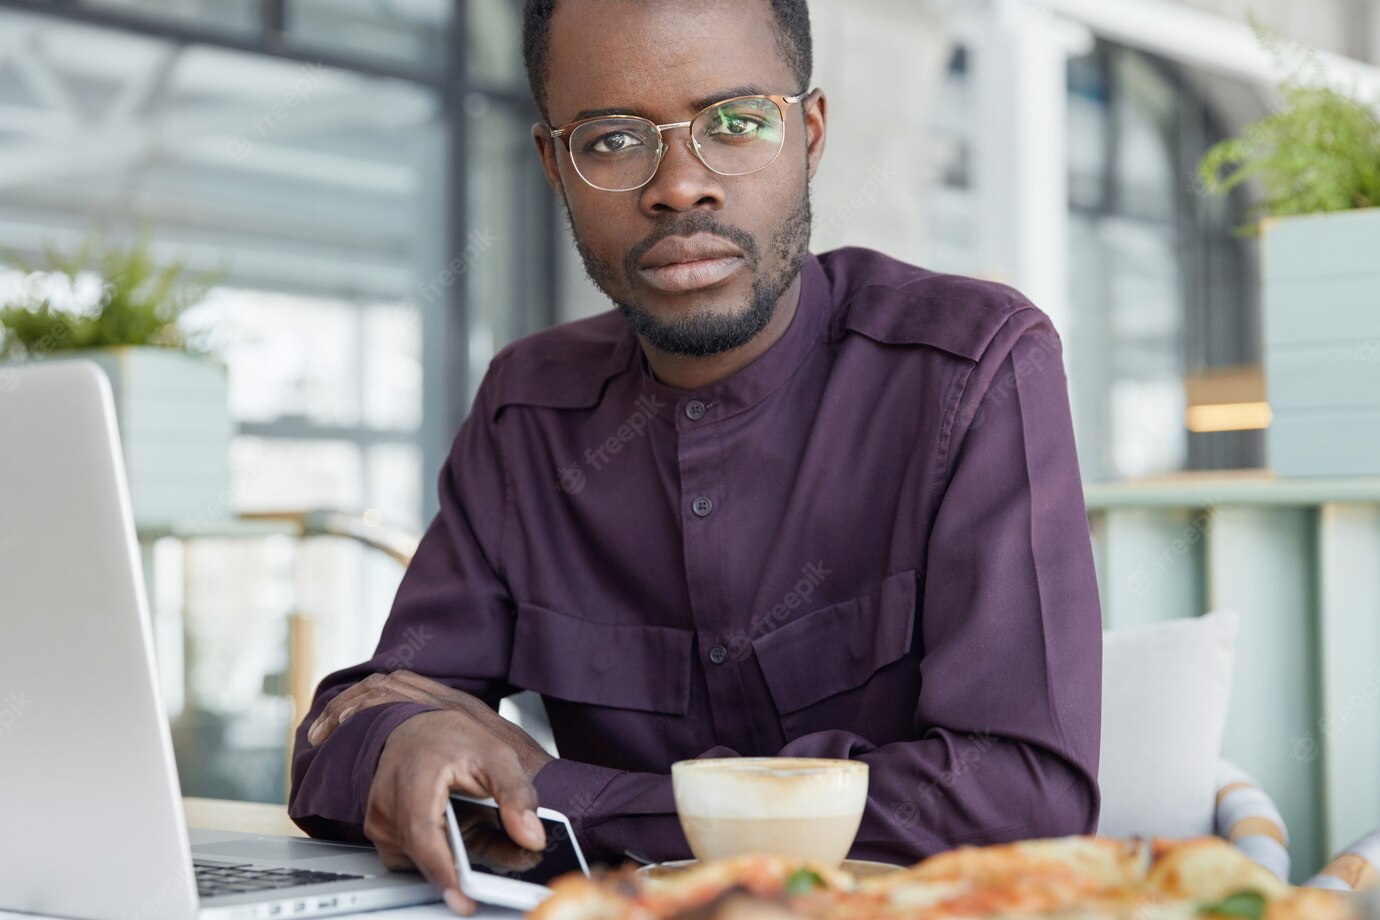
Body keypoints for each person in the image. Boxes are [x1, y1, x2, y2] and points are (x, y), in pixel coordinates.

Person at [288, 0, 1103, 913]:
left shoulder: (973, 370)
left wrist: (563, 797)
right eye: (611, 141)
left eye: (737, 123)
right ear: (555, 166)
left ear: (811, 134)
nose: (680, 186)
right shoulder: (529, 412)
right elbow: (351, 723)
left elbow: (1023, 800)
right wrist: (408, 743)